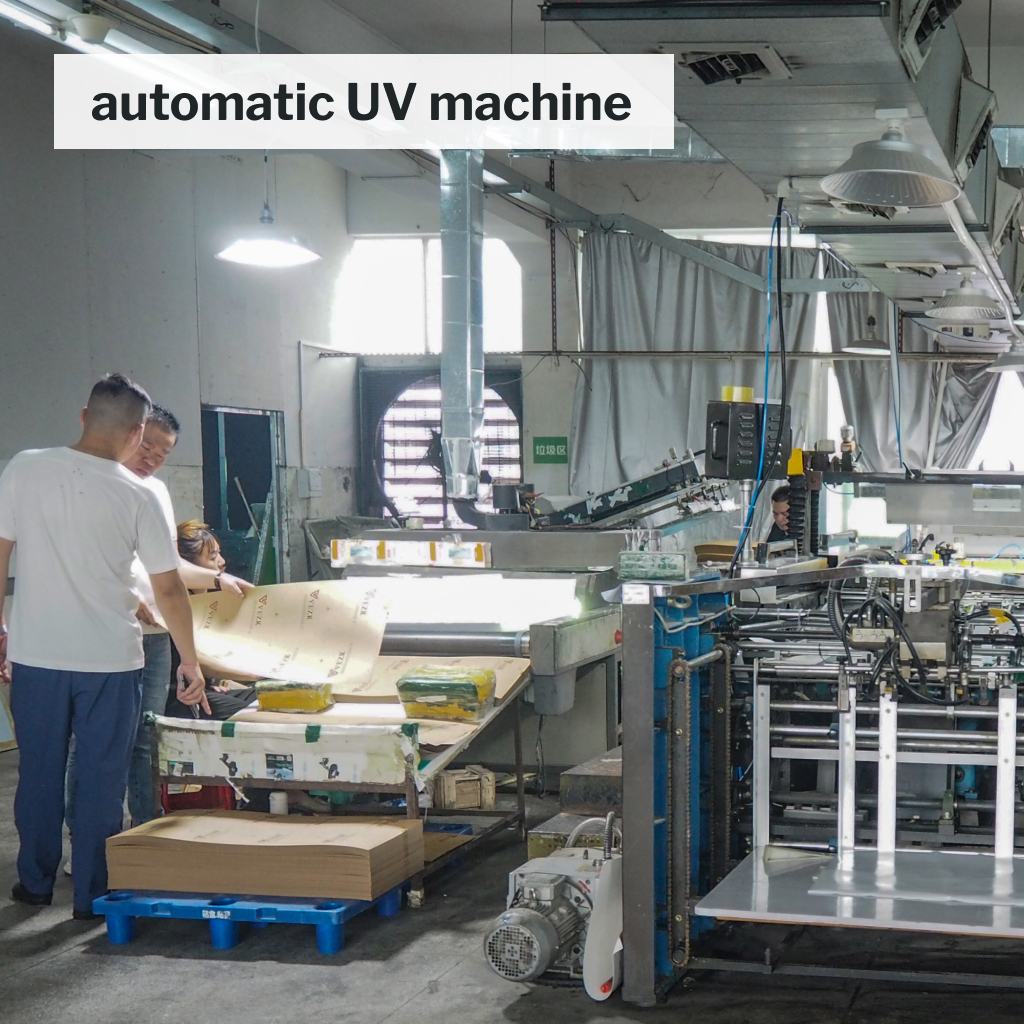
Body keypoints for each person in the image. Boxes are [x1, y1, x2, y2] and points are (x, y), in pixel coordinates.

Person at [0, 374, 207, 920]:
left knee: (39, 773)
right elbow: (168, 587)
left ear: (82, 414)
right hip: (112, 663)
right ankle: (93, 894)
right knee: (99, 780)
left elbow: (0, 555)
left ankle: (35, 885)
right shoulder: (140, 493)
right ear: (139, 432)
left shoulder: (24, 467)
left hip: (36, 657)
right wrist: (190, 659)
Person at [65, 406, 252, 839]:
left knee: (147, 736)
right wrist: (128, 601)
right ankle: (85, 836)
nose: (151, 457)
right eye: (146, 444)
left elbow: (169, 569)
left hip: (153, 639)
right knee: (94, 743)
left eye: (163, 452)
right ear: (127, 434)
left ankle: (146, 832)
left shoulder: (157, 493)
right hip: (102, 636)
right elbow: (80, 563)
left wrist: (219, 579)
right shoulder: (92, 485)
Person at [165, 520, 258, 721]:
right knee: (253, 715)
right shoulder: (178, 606)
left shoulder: (215, 600)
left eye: (219, 553)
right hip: (181, 697)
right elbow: (205, 662)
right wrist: (260, 672)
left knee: (264, 698)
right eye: (212, 556)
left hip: (207, 689)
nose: (222, 561)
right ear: (188, 565)